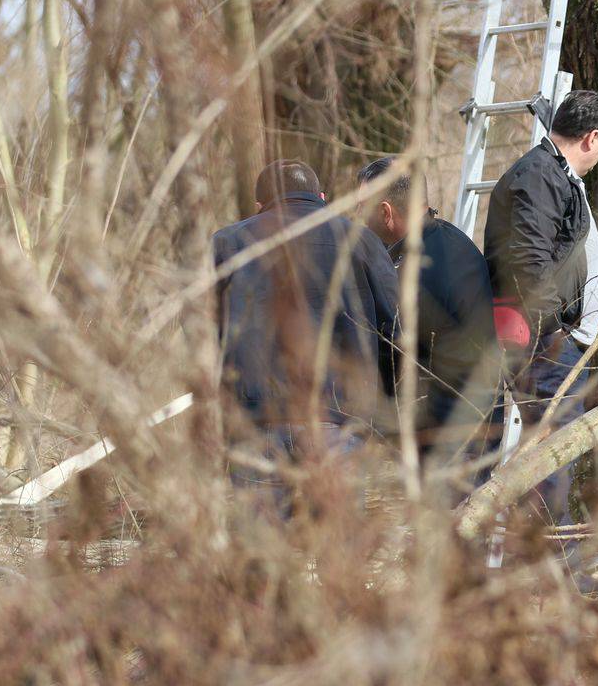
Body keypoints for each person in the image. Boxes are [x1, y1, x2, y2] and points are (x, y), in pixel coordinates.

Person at [213, 159, 400, 506]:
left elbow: (199, 333)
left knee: (263, 550)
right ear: (322, 196)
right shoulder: (361, 241)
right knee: (340, 550)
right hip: (339, 420)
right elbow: (395, 328)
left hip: (256, 421)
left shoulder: (227, 244)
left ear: (259, 206)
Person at [483, 90, 598, 536]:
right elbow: (527, 264)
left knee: (554, 455)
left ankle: (550, 568)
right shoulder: (540, 176)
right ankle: (555, 572)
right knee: (553, 457)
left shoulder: (554, 174)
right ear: (591, 137)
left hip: (554, 340)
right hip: (545, 345)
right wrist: (555, 335)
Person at [356, 157, 501, 461]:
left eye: (362, 207)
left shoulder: (419, 267)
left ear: (385, 212)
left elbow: (390, 348)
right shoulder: (449, 241)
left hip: (448, 438)